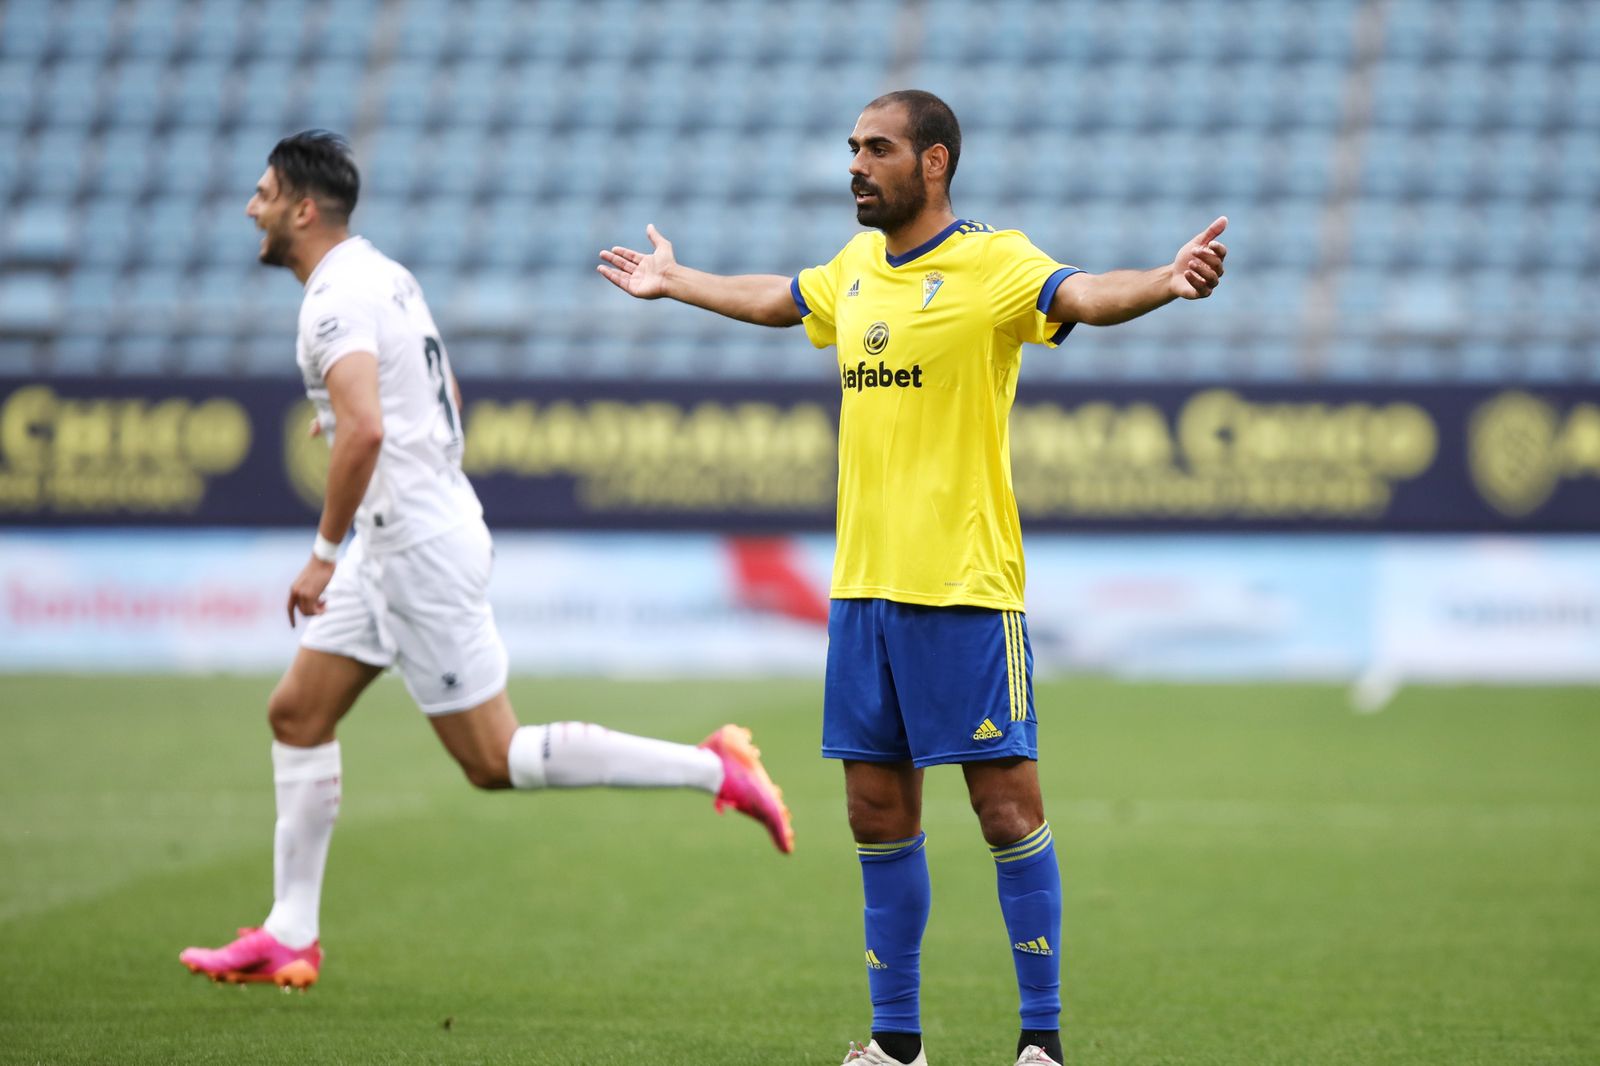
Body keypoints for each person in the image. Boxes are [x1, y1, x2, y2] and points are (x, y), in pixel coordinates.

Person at [598, 90, 1226, 1066]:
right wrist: (676, 281)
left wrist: (1168, 281)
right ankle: (897, 1047)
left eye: (877, 148)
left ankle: (1041, 1044)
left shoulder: (990, 263)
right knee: (874, 812)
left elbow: (1085, 294)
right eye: (852, 147)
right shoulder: (853, 268)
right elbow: (780, 298)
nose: (856, 163)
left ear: (932, 163)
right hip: (863, 594)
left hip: (964, 592)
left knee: (1006, 808)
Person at [180, 130, 794, 990]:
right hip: (401, 537)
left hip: (414, 547)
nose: (252, 207)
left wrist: (323, 554)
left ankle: (714, 766)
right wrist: (369, 443)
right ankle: (290, 931)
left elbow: (367, 428)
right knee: (297, 715)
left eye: (263, 193)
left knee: (492, 760)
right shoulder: (382, 272)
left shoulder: (332, 302)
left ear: (302, 208)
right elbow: (436, 394)